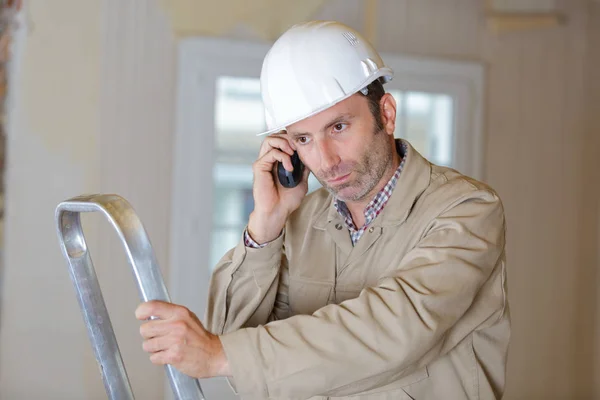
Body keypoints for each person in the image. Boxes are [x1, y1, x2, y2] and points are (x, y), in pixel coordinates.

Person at [135, 20, 510, 399]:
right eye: (303, 139)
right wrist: (265, 227)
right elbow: (236, 338)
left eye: (339, 127)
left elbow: (397, 328)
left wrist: (220, 355)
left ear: (387, 113)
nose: (325, 160)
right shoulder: (299, 220)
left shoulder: (466, 211)